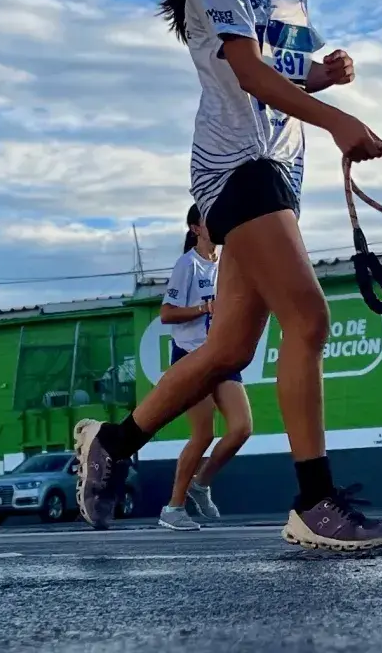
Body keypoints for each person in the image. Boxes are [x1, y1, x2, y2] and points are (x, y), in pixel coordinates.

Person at [75, 0, 382, 551]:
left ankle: (114, 445)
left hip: (282, 171)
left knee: (227, 349)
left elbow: (280, 69)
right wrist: (340, 119)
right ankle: (314, 503)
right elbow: (248, 75)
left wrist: (322, 77)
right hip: (234, 168)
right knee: (309, 319)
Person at [155, 205, 253, 531]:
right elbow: (167, 314)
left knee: (241, 428)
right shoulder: (188, 265)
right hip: (191, 355)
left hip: (221, 354)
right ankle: (173, 508)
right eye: (210, 221)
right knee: (203, 434)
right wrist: (203, 307)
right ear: (196, 228)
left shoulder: (226, 263)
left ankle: (201, 483)